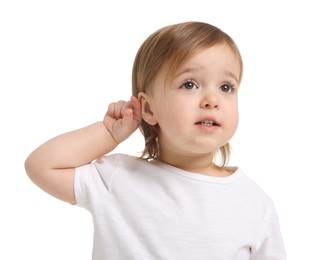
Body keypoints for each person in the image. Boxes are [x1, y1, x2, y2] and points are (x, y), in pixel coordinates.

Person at [25, 21, 286, 259]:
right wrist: (107, 135)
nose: (212, 100)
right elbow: (41, 165)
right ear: (149, 109)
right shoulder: (116, 178)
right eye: (189, 84)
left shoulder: (253, 202)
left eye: (226, 87)